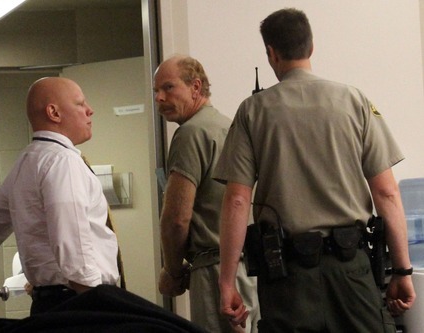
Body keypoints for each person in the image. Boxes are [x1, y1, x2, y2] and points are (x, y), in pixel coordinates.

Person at [215, 8, 416, 333]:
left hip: (286, 279)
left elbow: (237, 200)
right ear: (311, 47)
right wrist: (403, 272)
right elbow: (387, 193)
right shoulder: (355, 101)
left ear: (271, 53)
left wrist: (227, 282)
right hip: (352, 272)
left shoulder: (253, 111)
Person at [0, 77, 120, 315]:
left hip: (50, 303)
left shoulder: (28, 162)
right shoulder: (62, 162)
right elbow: (73, 248)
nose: (90, 110)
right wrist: (104, 311)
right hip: (79, 302)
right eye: (80, 104)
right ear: (54, 113)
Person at [154, 55, 259, 333]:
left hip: (215, 268)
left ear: (196, 87)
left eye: (168, 88)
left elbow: (176, 218)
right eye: (156, 91)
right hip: (251, 269)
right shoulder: (230, 126)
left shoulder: (190, 134)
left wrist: (173, 271)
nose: (159, 98)